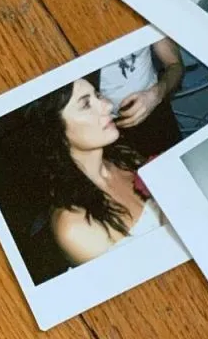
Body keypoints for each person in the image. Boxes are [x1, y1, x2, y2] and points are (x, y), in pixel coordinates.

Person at [25, 77, 164, 266]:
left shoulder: (125, 158)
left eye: (97, 95)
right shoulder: (74, 227)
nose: (108, 105)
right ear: (56, 131)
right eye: (85, 104)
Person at [99, 37, 184, 157]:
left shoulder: (145, 24)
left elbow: (175, 65)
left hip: (154, 107)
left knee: (174, 161)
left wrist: (156, 94)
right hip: (107, 124)